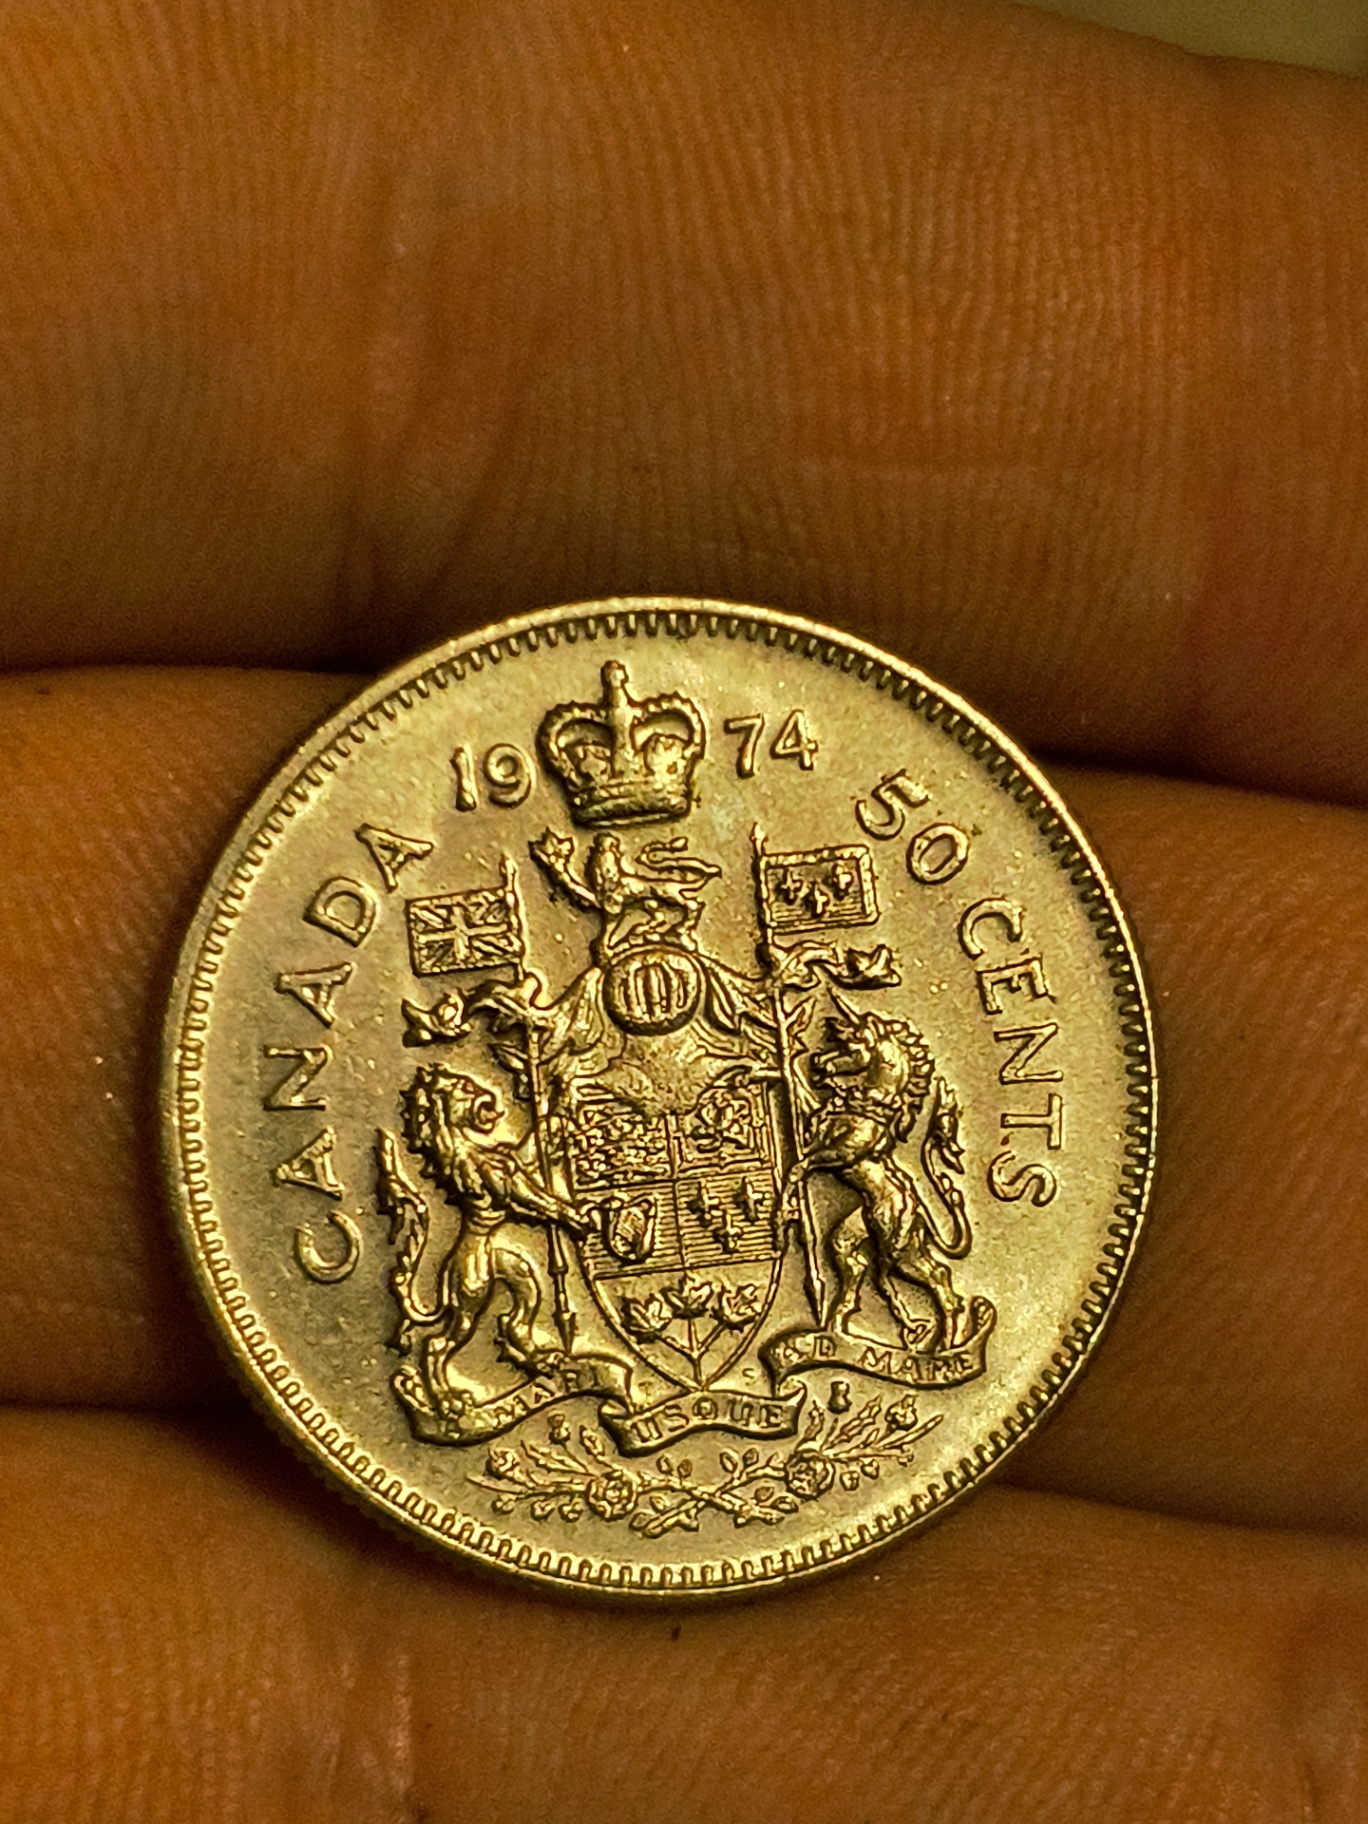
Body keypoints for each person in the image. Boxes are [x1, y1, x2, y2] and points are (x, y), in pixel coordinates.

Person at [2, 1, 1367, 1816]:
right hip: (549, 1290)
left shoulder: (772, 1049)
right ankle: (536, 1363)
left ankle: (860, 1335)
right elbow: (513, 1152)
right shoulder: (522, 1083)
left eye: (659, 903)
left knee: (849, 1229)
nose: (645, 940)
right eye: (622, 904)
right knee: (494, 1275)